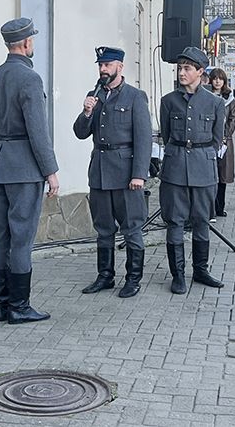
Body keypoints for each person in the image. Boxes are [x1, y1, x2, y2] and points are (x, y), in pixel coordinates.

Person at [0, 18, 59, 323]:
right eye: (32, 41)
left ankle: (1, 305)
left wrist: (0, 158)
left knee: (0, 238)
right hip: (26, 169)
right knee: (21, 240)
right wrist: (50, 171)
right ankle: (19, 306)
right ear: (27, 43)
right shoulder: (30, 79)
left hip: (1, 166)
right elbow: (38, 131)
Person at [73, 46, 150, 299]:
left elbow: (143, 139)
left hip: (126, 173)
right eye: (100, 66)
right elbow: (81, 133)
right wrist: (86, 112)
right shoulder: (94, 96)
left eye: (107, 65)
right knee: (103, 228)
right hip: (100, 171)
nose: (103, 70)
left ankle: (133, 279)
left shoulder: (135, 97)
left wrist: (139, 174)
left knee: (132, 227)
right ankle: (105, 276)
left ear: (120, 66)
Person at [159, 47, 225, 294]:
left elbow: (217, 139)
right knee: (174, 221)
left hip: (203, 167)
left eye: (187, 68)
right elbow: (167, 135)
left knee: (201, 221)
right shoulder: (168, 101)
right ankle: (178, 275)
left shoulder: (215, 102)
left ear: (200, 72)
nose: (181, 72)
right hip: (175, 167)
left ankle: (201, 270)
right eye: (179, 68)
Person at [209, 68, 235, 219]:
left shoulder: (230, 99)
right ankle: (210, 209)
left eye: (220, 79)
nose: (217, 81)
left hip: (225, 141)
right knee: (210, 176)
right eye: (215, 78)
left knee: (222, 176)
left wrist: (225, 135)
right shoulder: (206, 96)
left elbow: (233, 118)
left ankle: (220, 207)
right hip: (208, 141)